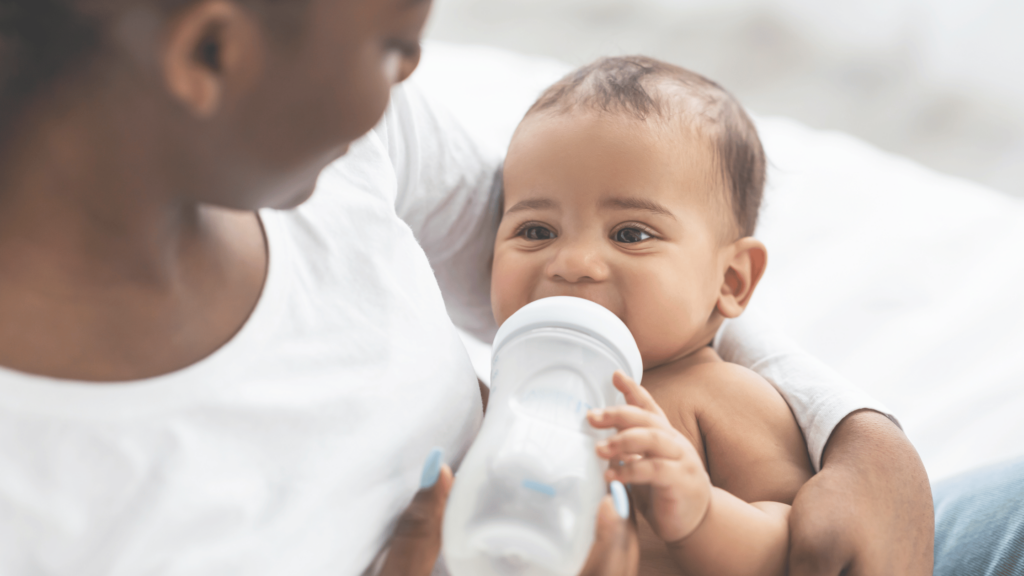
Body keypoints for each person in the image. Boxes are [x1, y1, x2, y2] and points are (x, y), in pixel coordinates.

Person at [0, 0, 933, 575]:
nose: (407, 82)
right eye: (389, 49)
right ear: (211, 53)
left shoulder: (350, 151)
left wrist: (860, 437)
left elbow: (612, 284)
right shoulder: (44, 502)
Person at [490, 55, 813, 575]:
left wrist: (700, 512)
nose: (572, 263)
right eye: (536, 231)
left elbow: (797, 548)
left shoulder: (725, 396)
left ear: (731, 279)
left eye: (631, 234)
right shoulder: (509, 391)